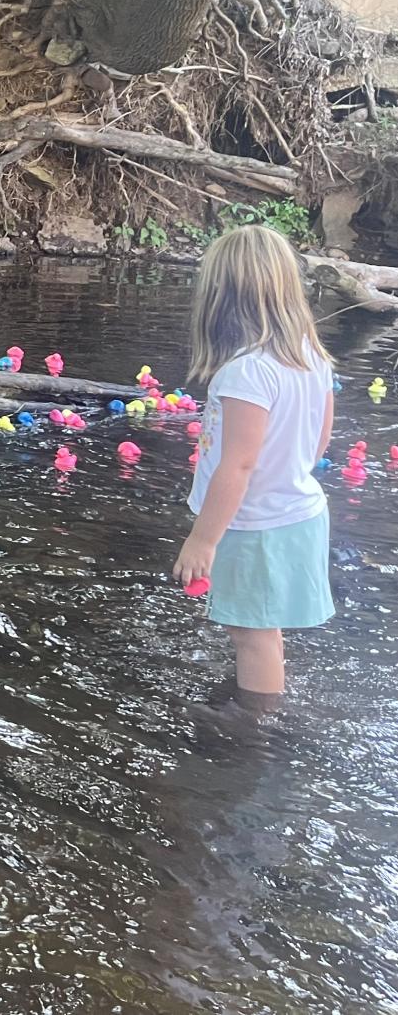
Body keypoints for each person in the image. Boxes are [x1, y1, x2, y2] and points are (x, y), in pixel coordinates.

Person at [174, 224, 335, 715]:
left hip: (255, 525)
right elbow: (319, 441)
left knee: (252, 636)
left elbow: (238, 464)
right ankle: (259, 696)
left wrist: (203, 539)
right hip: (297, 510)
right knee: (260, 626)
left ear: (222, 298)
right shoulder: (311, 356)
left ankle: (255, 732)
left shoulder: (245, 372)